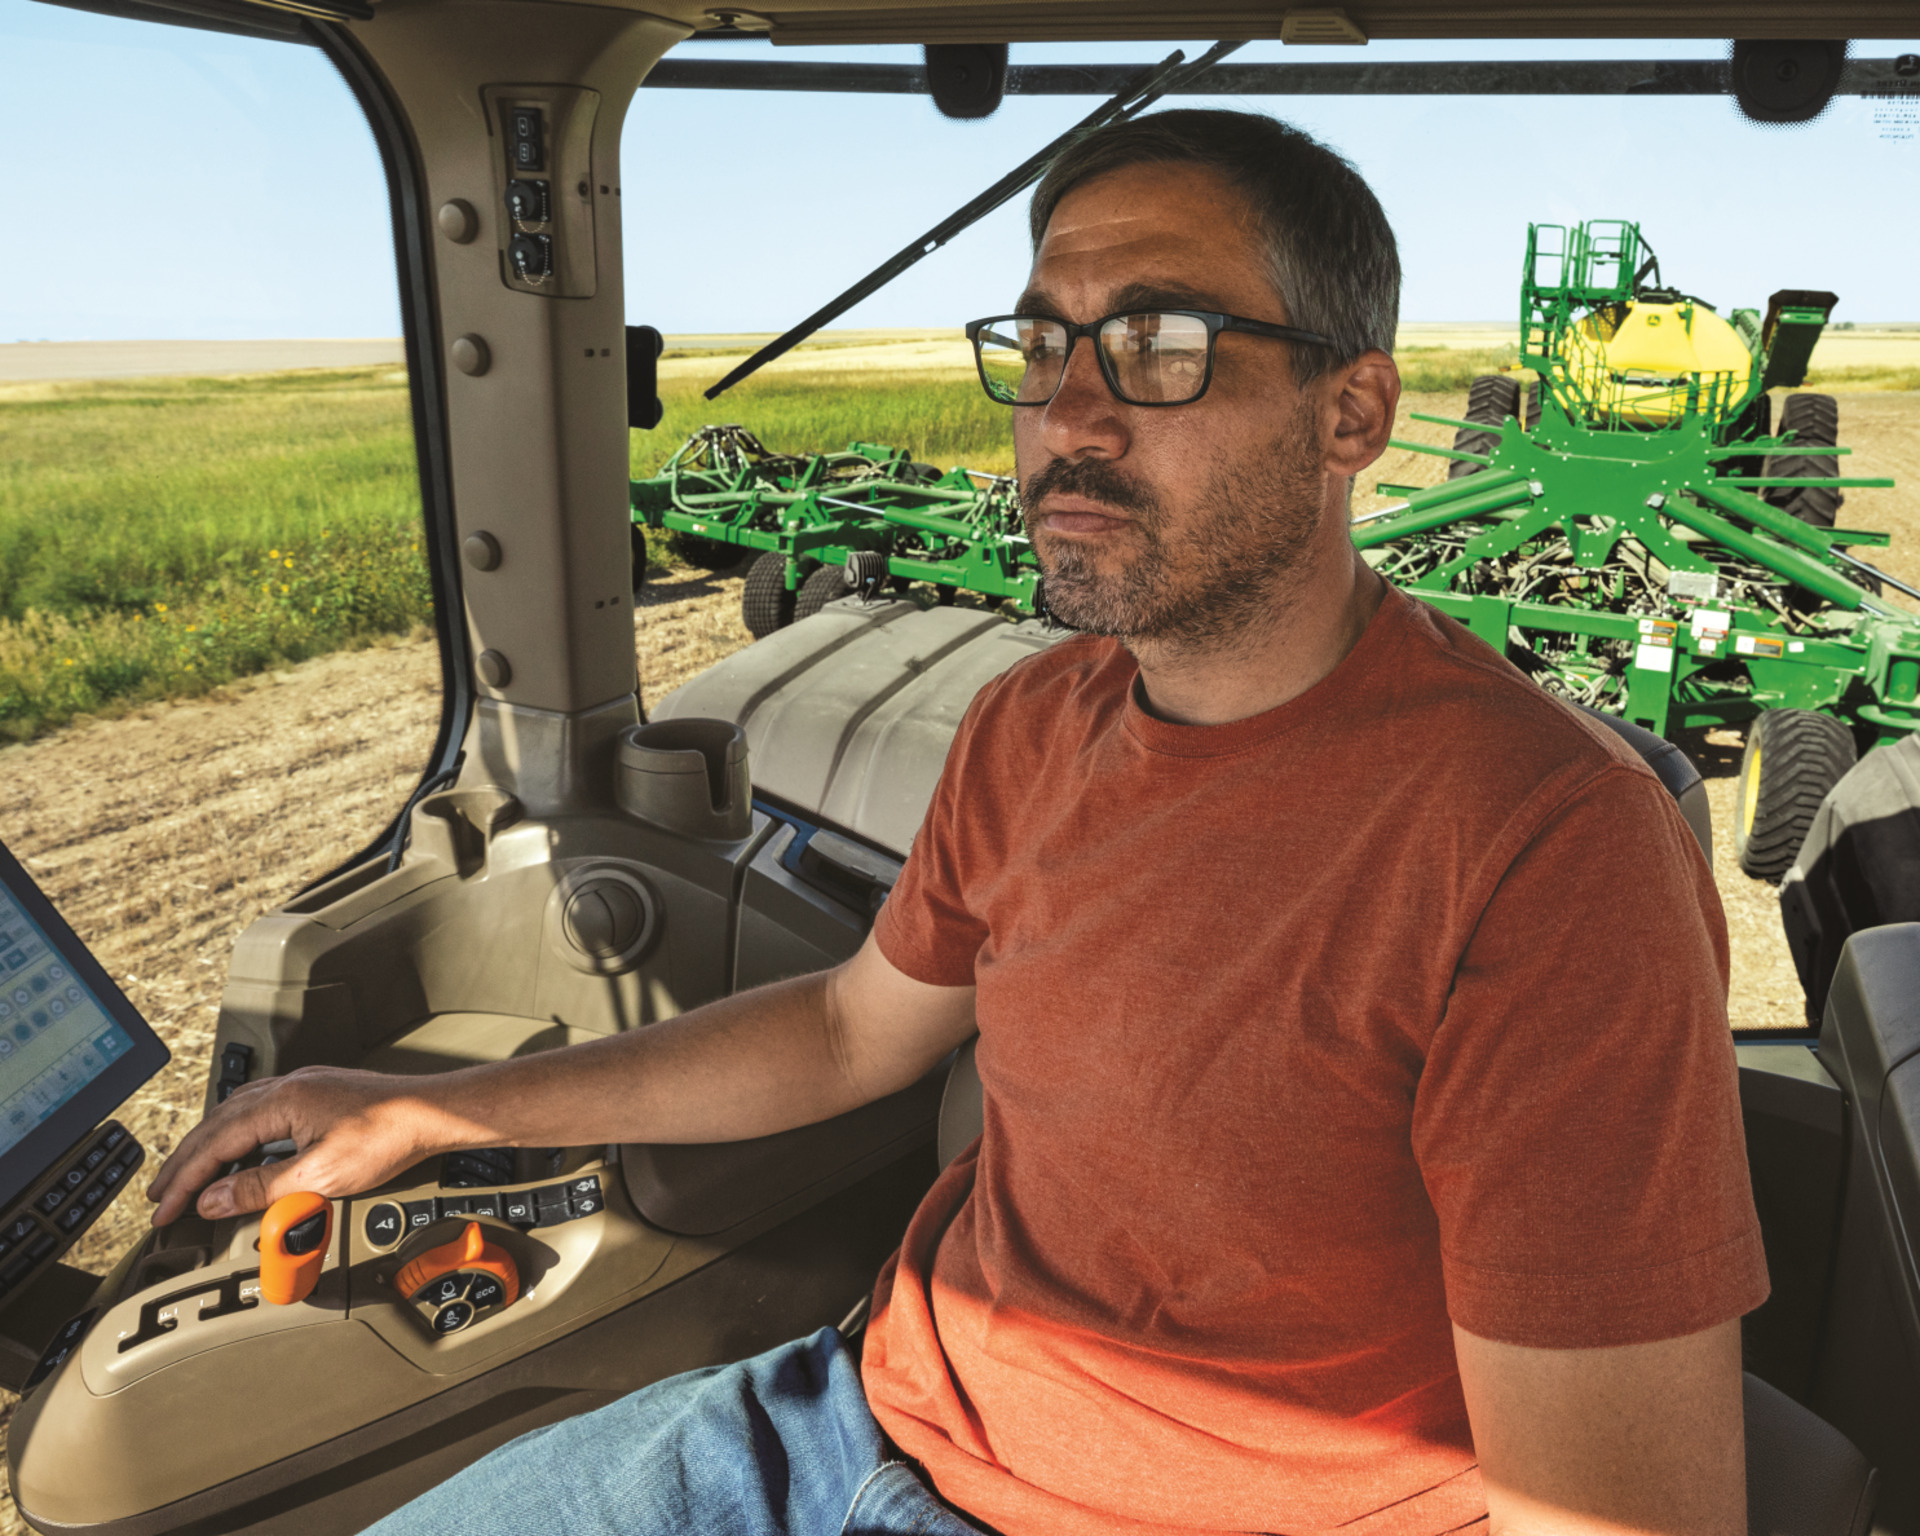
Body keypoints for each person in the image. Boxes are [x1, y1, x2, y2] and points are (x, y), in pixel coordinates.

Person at [147, 110, 1767, 1536]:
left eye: (1162, 342)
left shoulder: (1546, 847)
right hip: (844, 1422)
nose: (1072, 412)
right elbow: (855, 1036)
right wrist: (454, 1114)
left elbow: (1620, 1519)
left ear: (1353, 416)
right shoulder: (1034, 724)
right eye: (1047, 344)